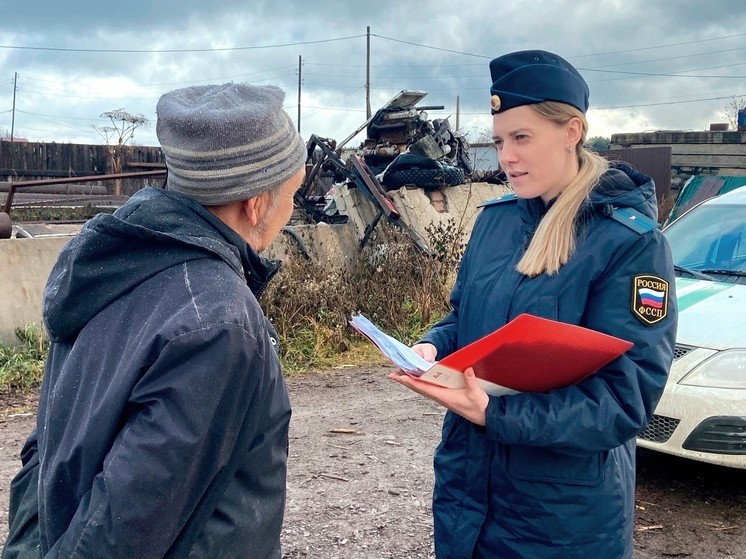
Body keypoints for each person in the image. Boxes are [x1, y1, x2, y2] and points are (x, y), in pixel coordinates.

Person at [389, 50, 678, 558]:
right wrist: (433, 347)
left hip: (560, 520)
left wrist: (497, 415)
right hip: (468, 495)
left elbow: (624, 399)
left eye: (521, 138)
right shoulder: (495, 221)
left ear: (571, 131)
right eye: (500, 140)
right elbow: (465, 318)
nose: (506, 157)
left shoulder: (628, 243)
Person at [2, 83, 307, 558]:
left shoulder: (111, 264)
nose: (291, 211)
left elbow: (47, 446)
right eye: (292, 192)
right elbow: (119, 534)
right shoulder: (220, 325)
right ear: (254, 204)